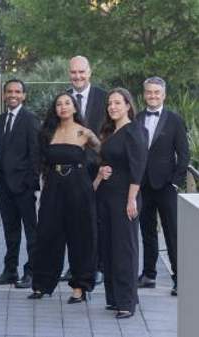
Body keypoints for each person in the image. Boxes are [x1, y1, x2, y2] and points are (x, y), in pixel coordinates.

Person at [29, 92, 99, 303]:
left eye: (67, 103)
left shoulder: (84, 132)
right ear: (55, 109)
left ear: (75, 108)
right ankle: (42, 284)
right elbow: (40, 163)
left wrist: (98, 181)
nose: (63, 107)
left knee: (80, 236)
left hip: (79, 186)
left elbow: (106, 154)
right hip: (53, 187)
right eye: (59, 104)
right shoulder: (47, 132)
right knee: (47, 235)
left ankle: (80, 287)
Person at [94, 88, 148, 319]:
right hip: (106, 196)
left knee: (124, 249)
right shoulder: (109, 131)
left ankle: (126, 302)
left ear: (128, 105)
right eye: (110, 103)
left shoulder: (135, 130)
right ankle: (114, 298)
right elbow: (105, 161)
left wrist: (131, 199)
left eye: (118, 103)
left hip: (125, 198)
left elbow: (138, 168)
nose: (112, 107)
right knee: (108, 248)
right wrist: (100, 172)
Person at [137, 76, 190, 297]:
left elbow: (184, 154)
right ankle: (149, 274)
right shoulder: (137, 118)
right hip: (142, 185)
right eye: (149, 92)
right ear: (144, 94)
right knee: (146, 231)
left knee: (172, 233)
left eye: (157, 92)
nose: (152, 96)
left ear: (164, 95)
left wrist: (176, 182)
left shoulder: (175, 119)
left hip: (166, 186)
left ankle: (180, 279)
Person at [0, 79, 40, 289]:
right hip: (5, 187)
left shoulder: (30, 119)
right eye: (9, 91)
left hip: (24, 187)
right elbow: (2, 152)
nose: (13, 95)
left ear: (24, 96)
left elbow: (35, 153)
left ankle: (32, 272)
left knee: (31, 232)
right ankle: (10, 271)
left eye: (17, 92)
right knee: (11, 232)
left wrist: (32, 183)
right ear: (3, 95)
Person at [62, 55, 107, 285]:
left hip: (99, 168)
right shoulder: (63, 100)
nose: (77, 76)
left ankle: (97, 266)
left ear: (90, 72)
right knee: (74, 219)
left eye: (81, 72)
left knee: (96, 218)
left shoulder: (105, 97)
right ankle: (76, 266)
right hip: (73, 170)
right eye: (73, 72)